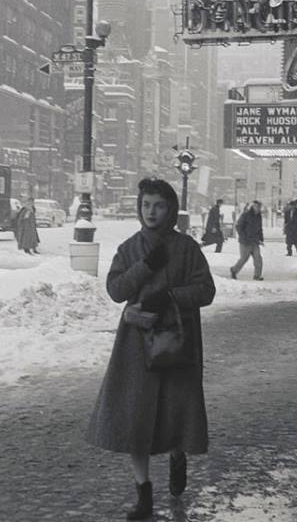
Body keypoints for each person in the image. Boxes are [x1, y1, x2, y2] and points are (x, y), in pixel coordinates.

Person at [85, 177, 215, 520]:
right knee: (135, 420)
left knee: (175, 412)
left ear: (170, 209)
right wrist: (145, 267)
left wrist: (170, 297)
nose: (151, 212)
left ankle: (177, 453)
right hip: (136, 348)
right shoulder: (130, 248)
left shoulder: (187, 248)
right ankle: (143, 493)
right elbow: (115, 289)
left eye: (158, 205)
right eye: (146, 205)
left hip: (177, 345)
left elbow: (206, 290)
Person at [230, 200, 264, 280]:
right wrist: (243, 236)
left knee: (258, 259)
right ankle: (234, 270)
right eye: (256, 206)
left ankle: (257, 275)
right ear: (253, 207)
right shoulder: (246, 215)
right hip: (245, 242)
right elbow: (238, 226)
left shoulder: (259, 216)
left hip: (255, 242)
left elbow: (260, 228)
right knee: (244, 259)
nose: (258, 208)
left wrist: (261, 238)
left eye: (259, 207)